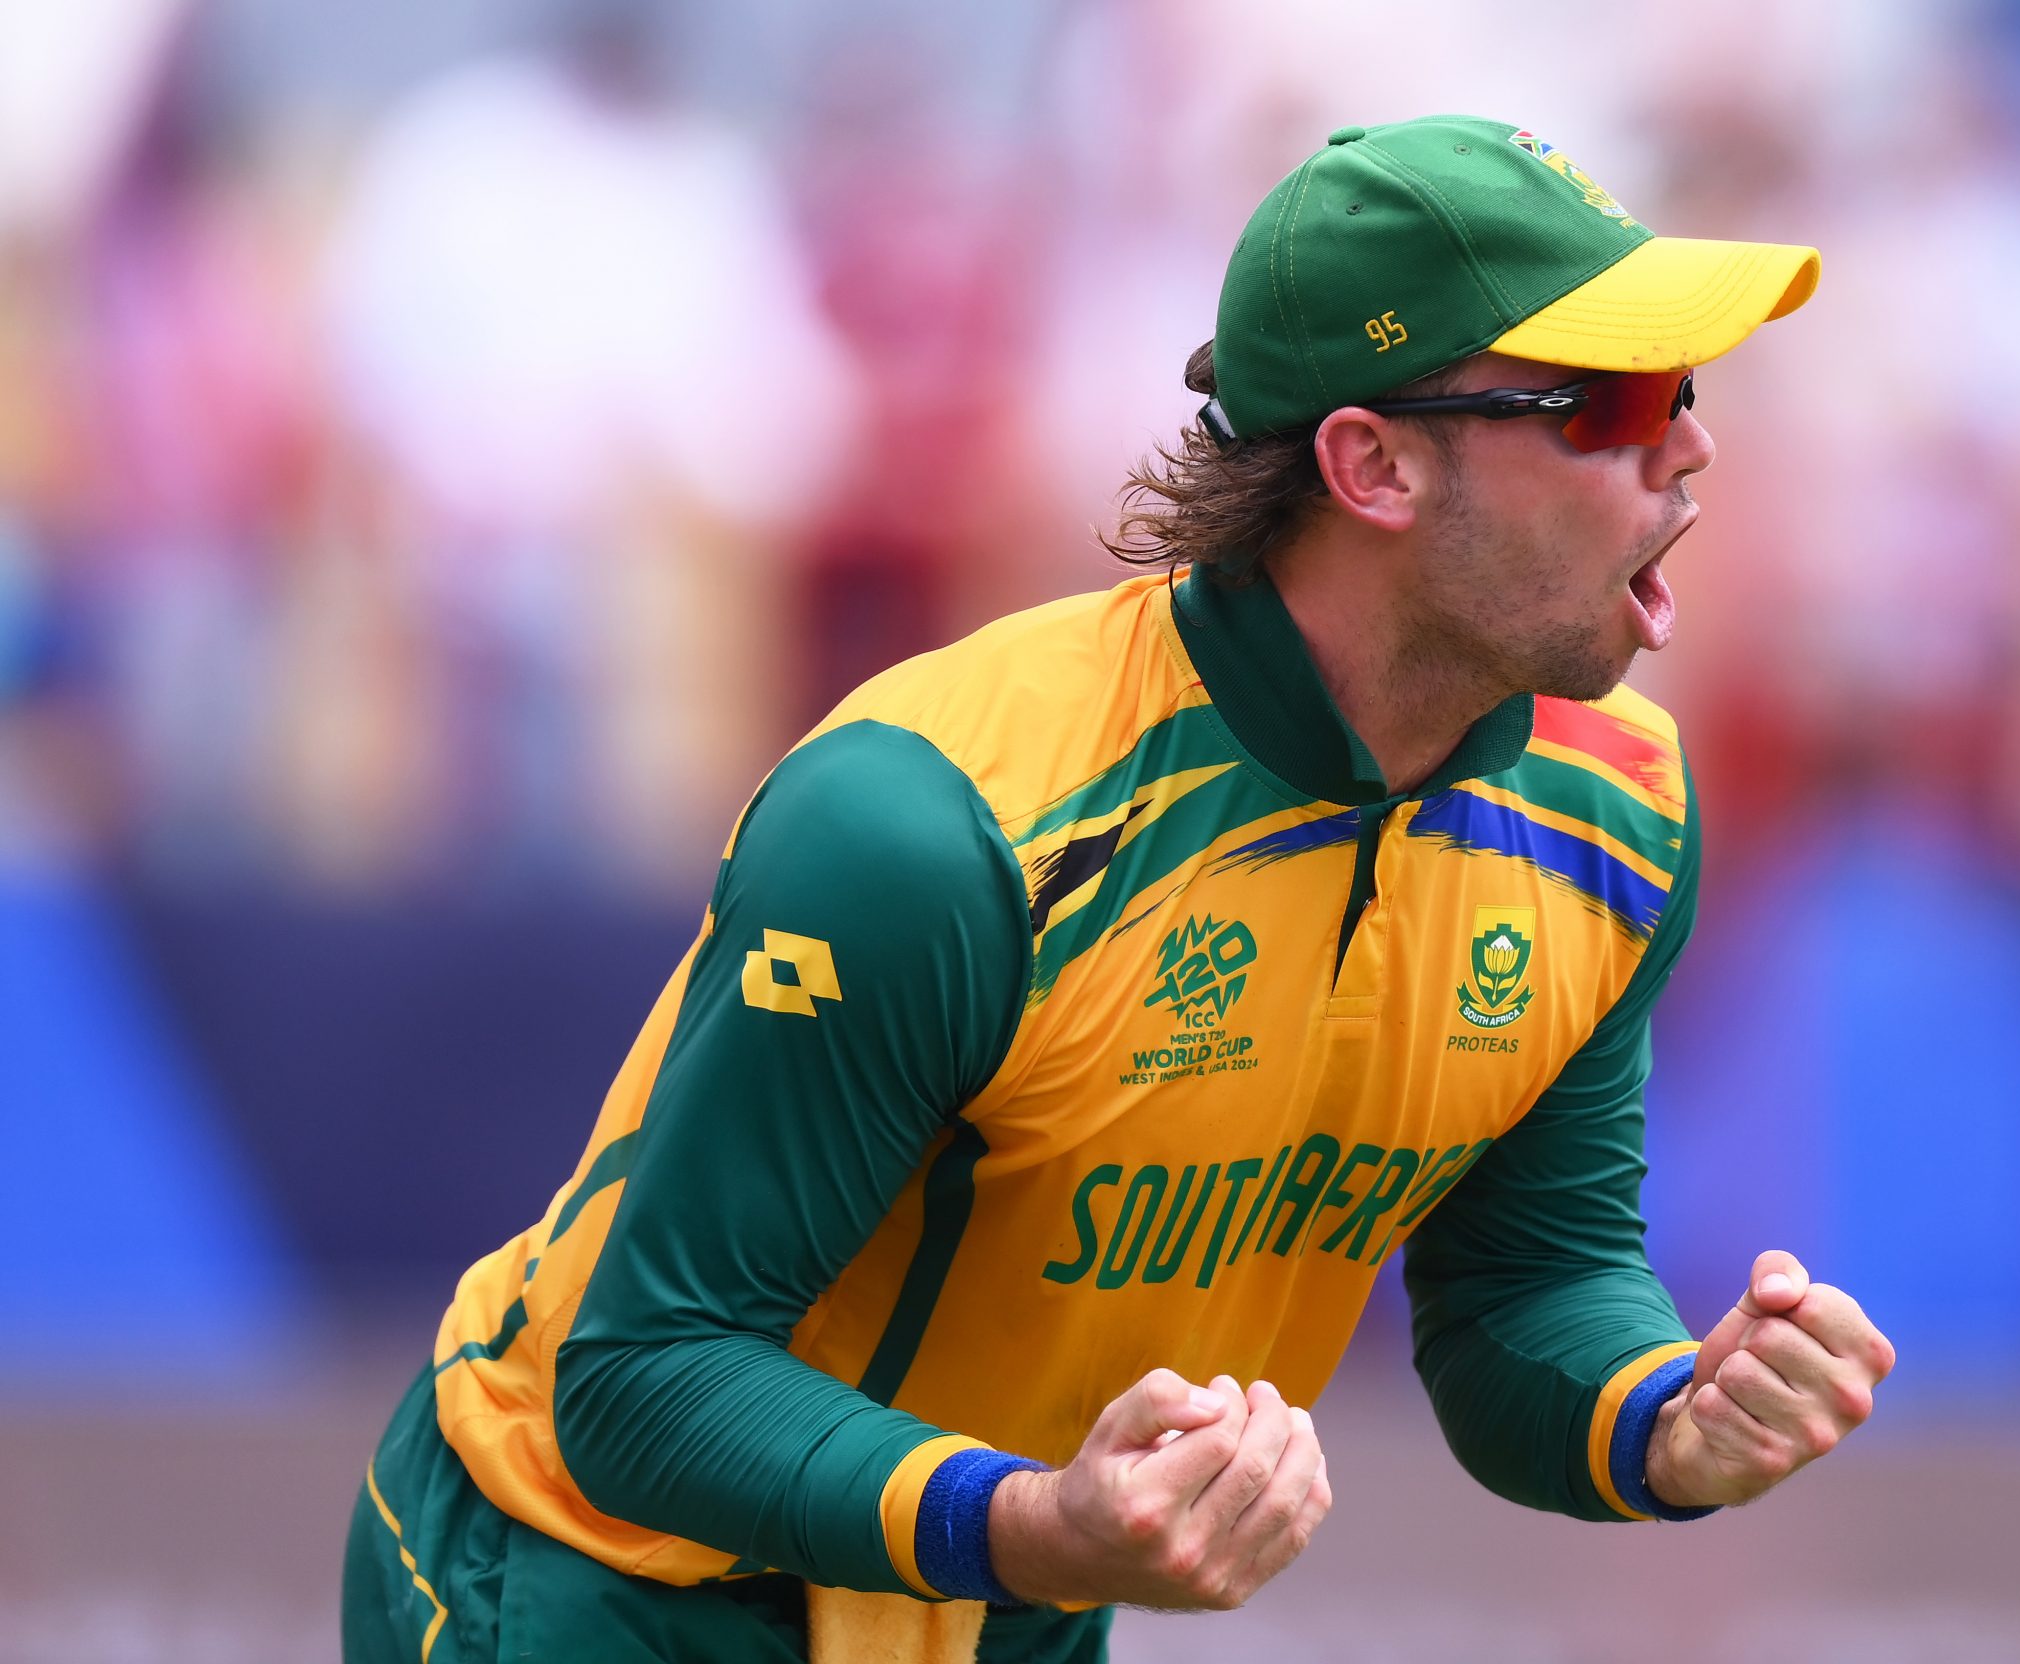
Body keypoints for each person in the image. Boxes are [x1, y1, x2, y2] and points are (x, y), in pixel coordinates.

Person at [343, 114, 1897, 1664]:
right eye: (1610, 400)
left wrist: (1667, 1422)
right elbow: (645, 1380)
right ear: (1372, 466)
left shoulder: (1619, 811)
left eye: (1685, 392)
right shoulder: (934, 830)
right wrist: (1029, 1527)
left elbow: (1526, 1289)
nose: (1687, 445)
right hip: (604, 1583)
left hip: (1007, 1592)